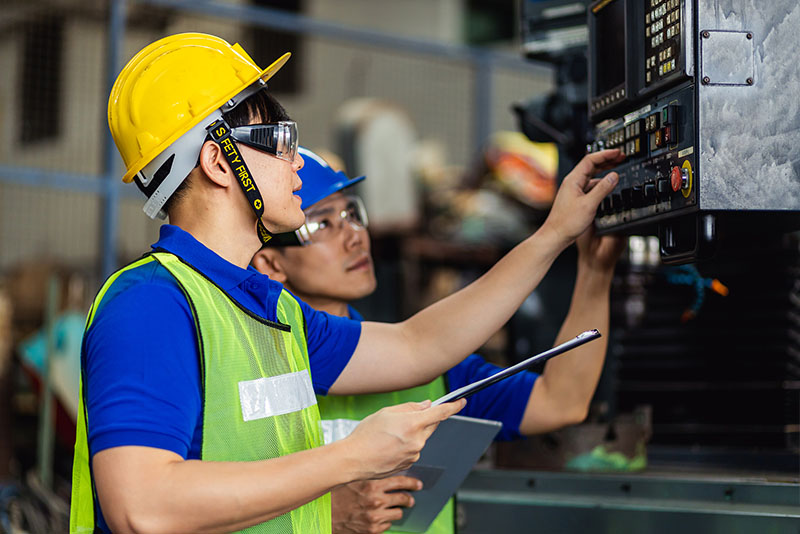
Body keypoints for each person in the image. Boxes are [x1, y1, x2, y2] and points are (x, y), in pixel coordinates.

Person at [70, 32, 623, 534]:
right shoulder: (151, 304)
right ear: (219, 161)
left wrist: (553, 235)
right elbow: (141, 505)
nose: (298, 166)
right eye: (280, 140)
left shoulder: (268, 311)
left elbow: (419, 346)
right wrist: (352, 458)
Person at [251, 147, 623, 534]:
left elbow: (560, 402)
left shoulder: (430, 367)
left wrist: (596, 272)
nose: (354, 237)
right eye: (321, 224)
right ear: (270, 262)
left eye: (350, 214)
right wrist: (321, 515)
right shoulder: (255, 378)